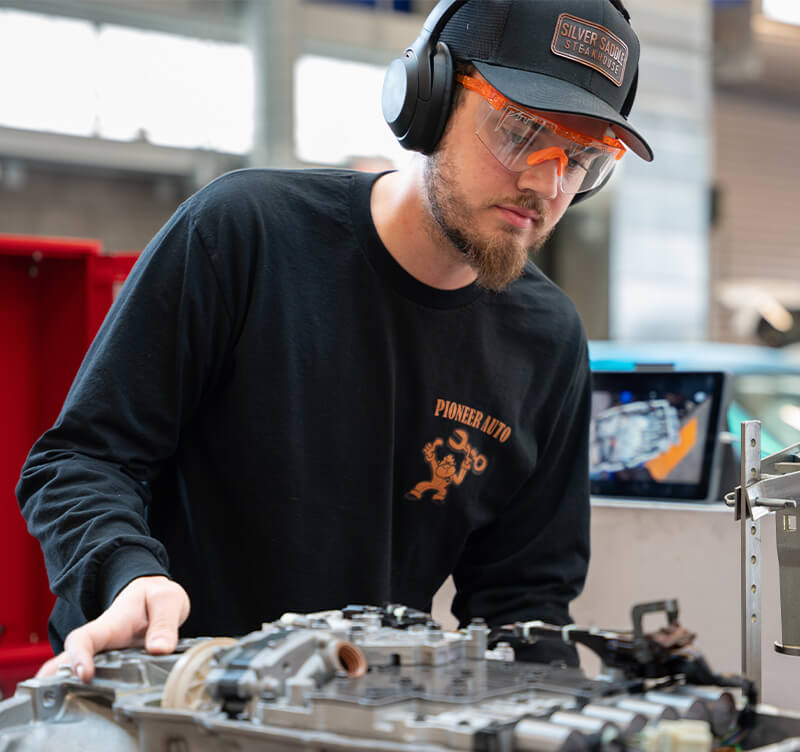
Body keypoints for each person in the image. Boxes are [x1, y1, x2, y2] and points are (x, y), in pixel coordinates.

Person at [17, 0, 653, 682]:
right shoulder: (245, 234)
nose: (547, 183)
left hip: (356, 725)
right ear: (427, 99)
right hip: (169, 690)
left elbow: (523, 599)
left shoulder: (546, 340)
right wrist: (125, 572)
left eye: (583, 157)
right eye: (522, 131)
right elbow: (82, 460)